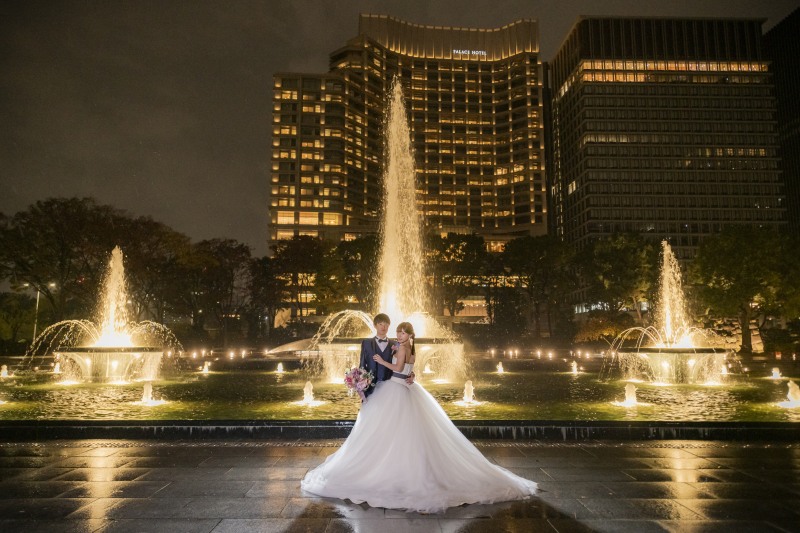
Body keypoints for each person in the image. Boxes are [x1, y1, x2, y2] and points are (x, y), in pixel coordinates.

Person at [301, 321, 537, 514]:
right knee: (407, 433)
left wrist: (383, 361)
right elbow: (409, 369)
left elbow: (398, 367)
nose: (398, 335)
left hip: (394, 388)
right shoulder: (411, 348)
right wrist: (406, 372)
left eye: (401, 332)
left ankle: (391, 469)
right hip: (406, 388)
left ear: (408, 335)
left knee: (387, 430)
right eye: (397, 332)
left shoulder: (401, 349)